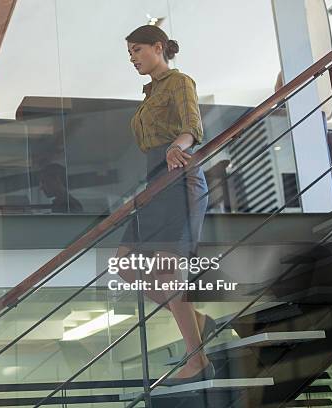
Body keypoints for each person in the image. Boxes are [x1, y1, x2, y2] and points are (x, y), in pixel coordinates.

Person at [117, 24, 213, 385]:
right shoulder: (149, 93)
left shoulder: (179, 81)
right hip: (154, 182)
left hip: (178, 176)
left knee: (164, 271)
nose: (133, 58)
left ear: (158, 47)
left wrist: (179, 146)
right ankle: (195, 319)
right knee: (124, 264)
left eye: (137, 50)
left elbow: (192, 126)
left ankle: (197, 359)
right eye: (130, 53)